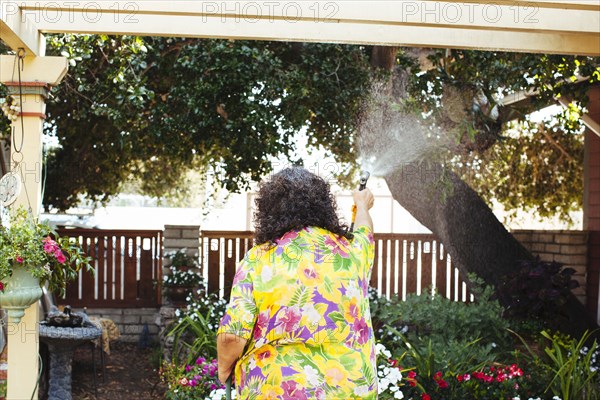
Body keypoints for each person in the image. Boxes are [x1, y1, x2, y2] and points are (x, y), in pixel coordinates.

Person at [217, 166, 376, 399]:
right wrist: (362, 204)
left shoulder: (258, 259)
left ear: (269, 210)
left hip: (276, 390)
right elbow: (365, 232)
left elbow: (233, 336)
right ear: (324, 207)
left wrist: (223, 370)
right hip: (350, 390)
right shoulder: (353, 252)